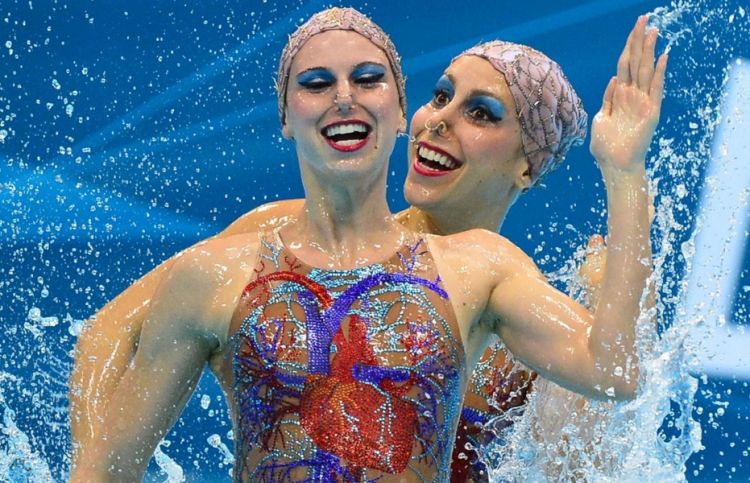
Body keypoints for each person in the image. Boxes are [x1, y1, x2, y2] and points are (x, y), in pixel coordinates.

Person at [70, 7, 664, 481]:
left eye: (480, 114)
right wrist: (92, 466)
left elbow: (595, 432)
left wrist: (628, 269)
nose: (441, 120)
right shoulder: (268, 242)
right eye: (440, 96)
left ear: (527, 167)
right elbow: (110, 331)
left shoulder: (512, 301)